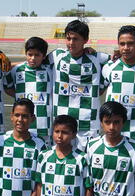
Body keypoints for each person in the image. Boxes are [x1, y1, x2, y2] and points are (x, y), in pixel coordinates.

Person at [48, 20, 111, 151]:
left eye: (76, 39)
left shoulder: (97, 58)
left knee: (86, 164)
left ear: (85, 40)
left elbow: (123, 60)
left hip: (88, 124)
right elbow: (32, 61)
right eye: (68, 38)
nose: (71, 43)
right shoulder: (57, 56)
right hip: (62, 123)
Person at [6, 37, 53, 144]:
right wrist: (21, 97)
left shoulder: (50, 70)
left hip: (44, 126)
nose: (32, 58)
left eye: (37, 55)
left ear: (44, 56)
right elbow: (7, 88)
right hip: (23, 124)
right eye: (30, 54)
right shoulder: (17, 70)